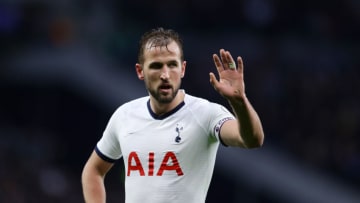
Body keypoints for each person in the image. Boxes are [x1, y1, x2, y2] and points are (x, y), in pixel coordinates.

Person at [81, 27, 264, 203]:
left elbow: (252, 139)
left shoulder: (206, 114)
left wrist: (239, 102)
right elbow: (93, 170)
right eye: (156, 66)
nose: (165, 75)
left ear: (182, 69)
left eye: (172, 65)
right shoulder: (125, 116)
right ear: (140, 71)